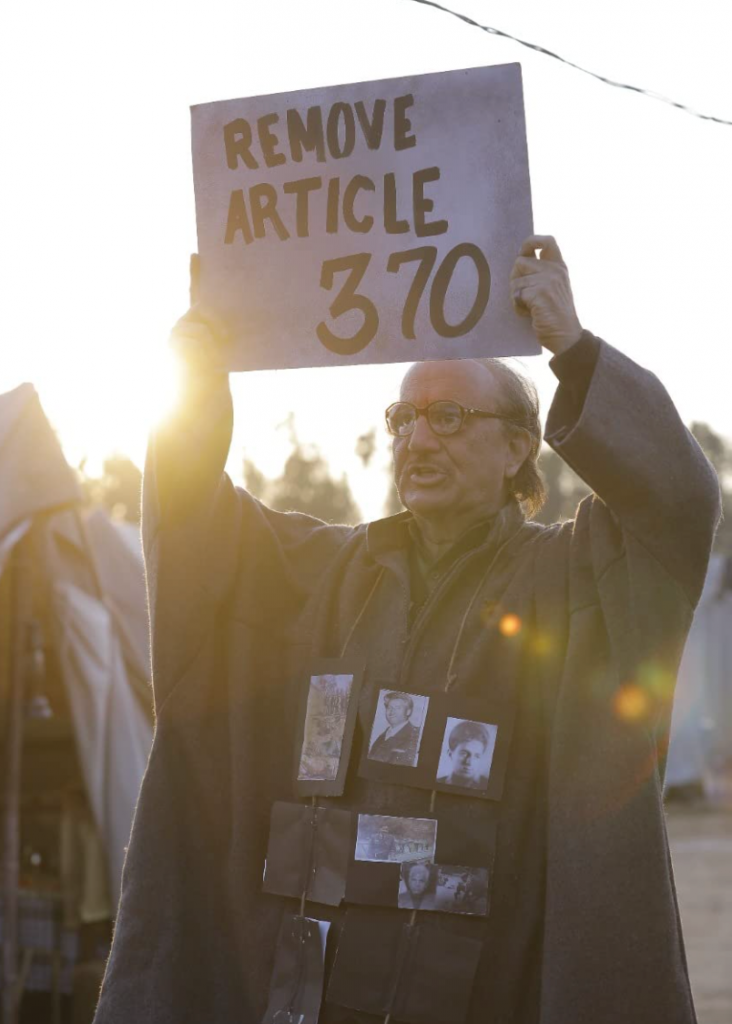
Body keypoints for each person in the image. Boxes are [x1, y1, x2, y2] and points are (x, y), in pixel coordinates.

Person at [93, 236, 720, 1024]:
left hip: (493, 994)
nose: (418, 441)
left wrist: (575, 349)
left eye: (450, 417)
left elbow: (678, 505)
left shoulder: (574, 580)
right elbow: (193, 525)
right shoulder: (319, 572)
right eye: (404, 417)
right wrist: (195, 384)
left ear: (517, 447)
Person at [367, 691, 422, 765]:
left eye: (397, 707)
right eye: (389, 707)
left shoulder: (416, 736)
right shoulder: (381, 737)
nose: (392, 711)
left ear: (408, 711)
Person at [436, 719, 494, 790]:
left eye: (477, 756)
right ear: (450, 754)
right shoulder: (437, 782)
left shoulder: (489, 786)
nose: (469, 762)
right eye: (464, 754)